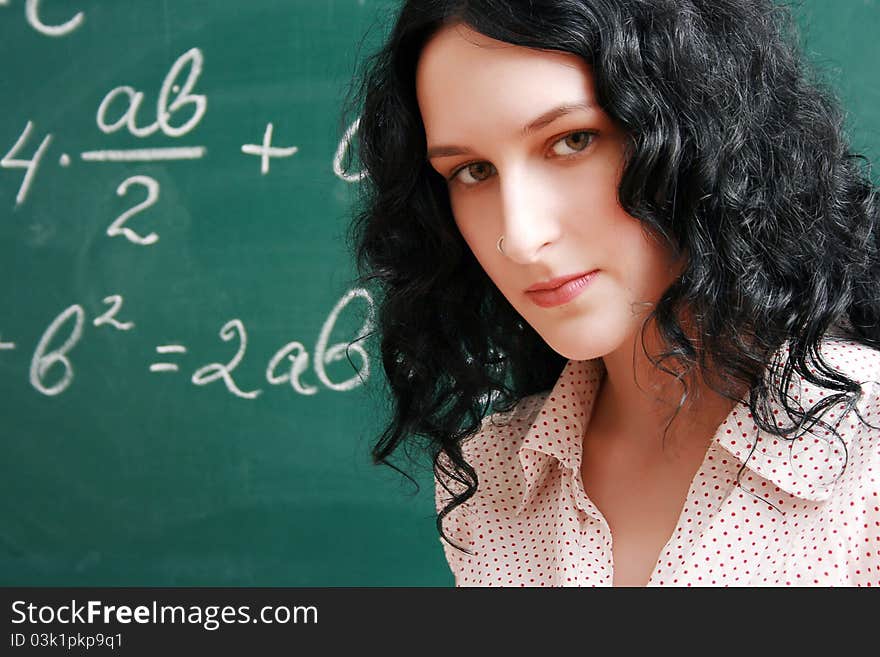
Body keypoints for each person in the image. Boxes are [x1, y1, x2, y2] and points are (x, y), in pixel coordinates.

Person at [345, 0, 880, 586]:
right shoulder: (490, 479)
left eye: (573, 140)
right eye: (473, 171)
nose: (520, 238)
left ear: (702, 130)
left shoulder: (867, 453)